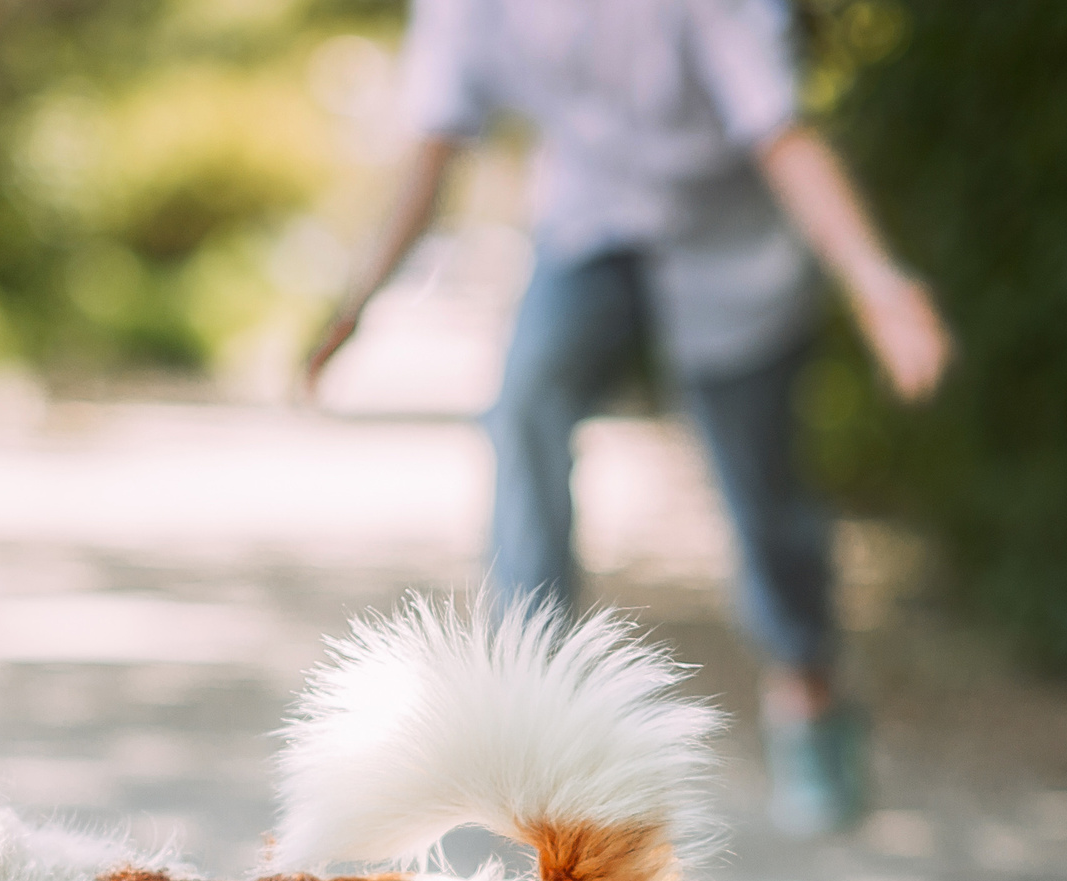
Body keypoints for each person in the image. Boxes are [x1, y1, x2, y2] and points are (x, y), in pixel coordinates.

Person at [303, 0, 951, 834]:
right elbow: (436, 144)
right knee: (529, 395)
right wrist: (358, 301)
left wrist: (876, 282)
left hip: (731, 239)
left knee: (761, 485)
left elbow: (781, 133)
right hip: (591, 222)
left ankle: (809, 689)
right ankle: (530, 700)